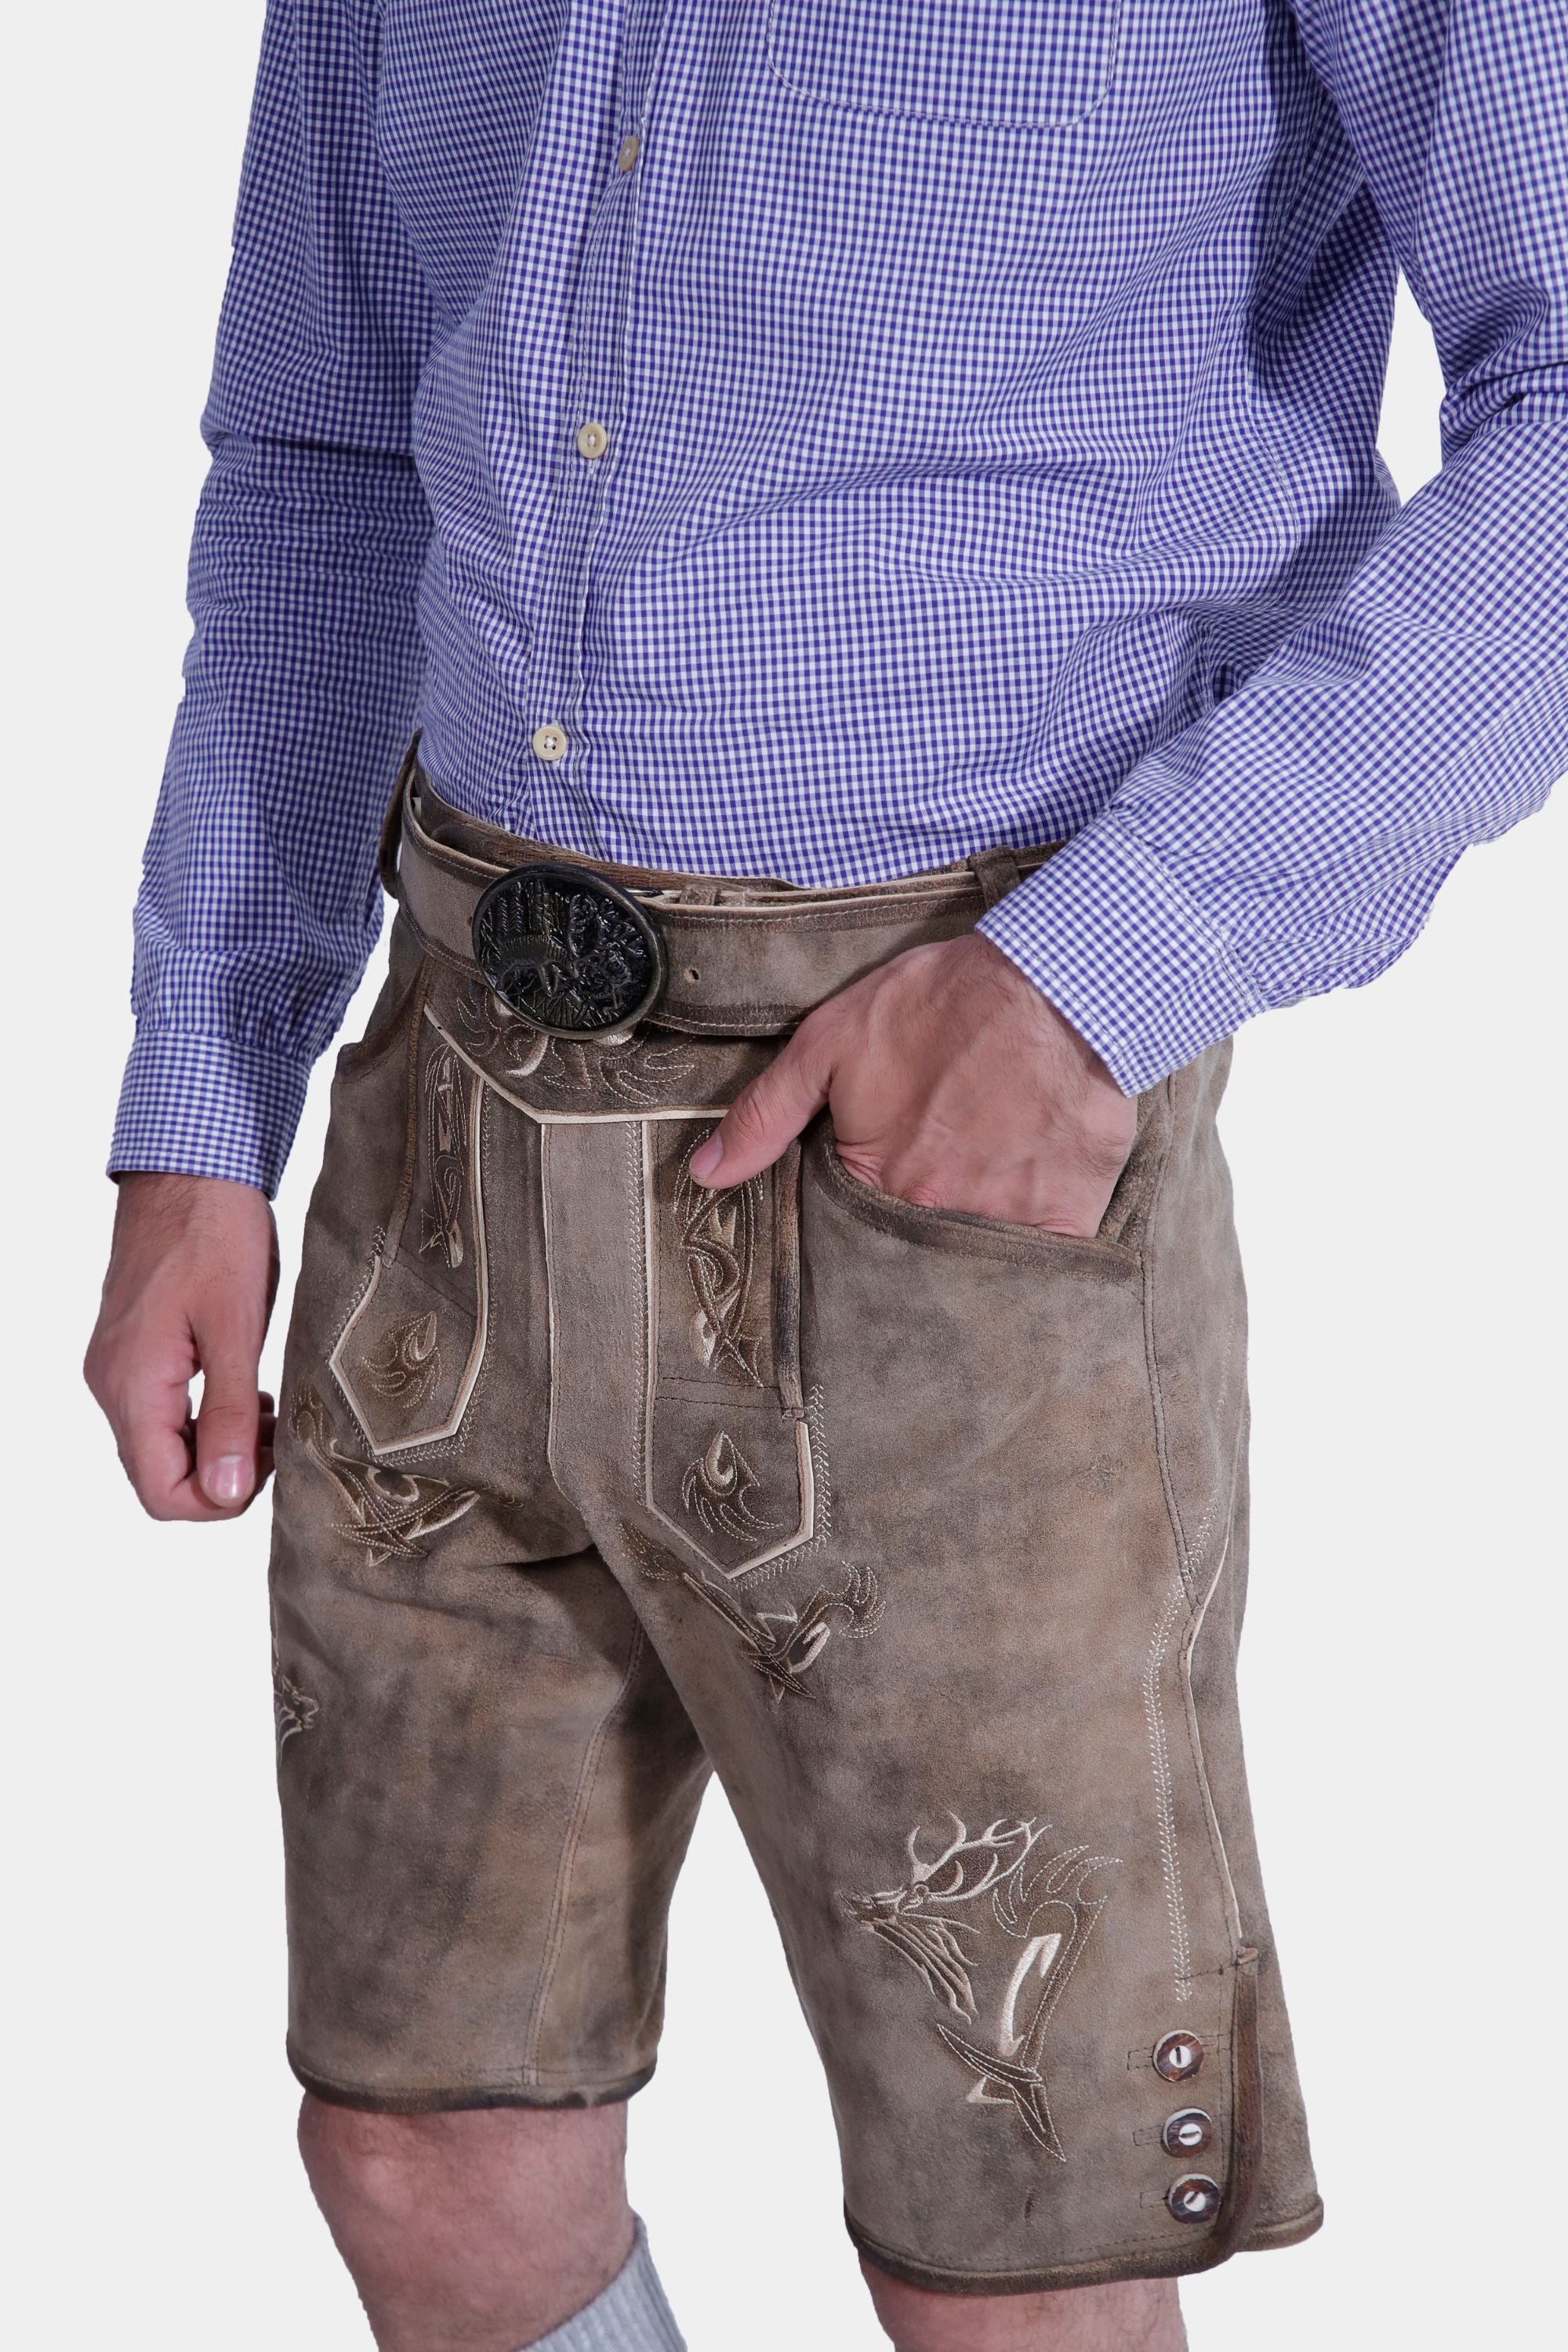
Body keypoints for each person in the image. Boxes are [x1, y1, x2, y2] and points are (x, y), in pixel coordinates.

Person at [85, 3, 1565, 2348]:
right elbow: (322, 447)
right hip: (451, 1108)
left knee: (1010, 2259)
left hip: (943, 1154)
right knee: (421, 2147)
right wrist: (204, 1102)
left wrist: (1097, 978)